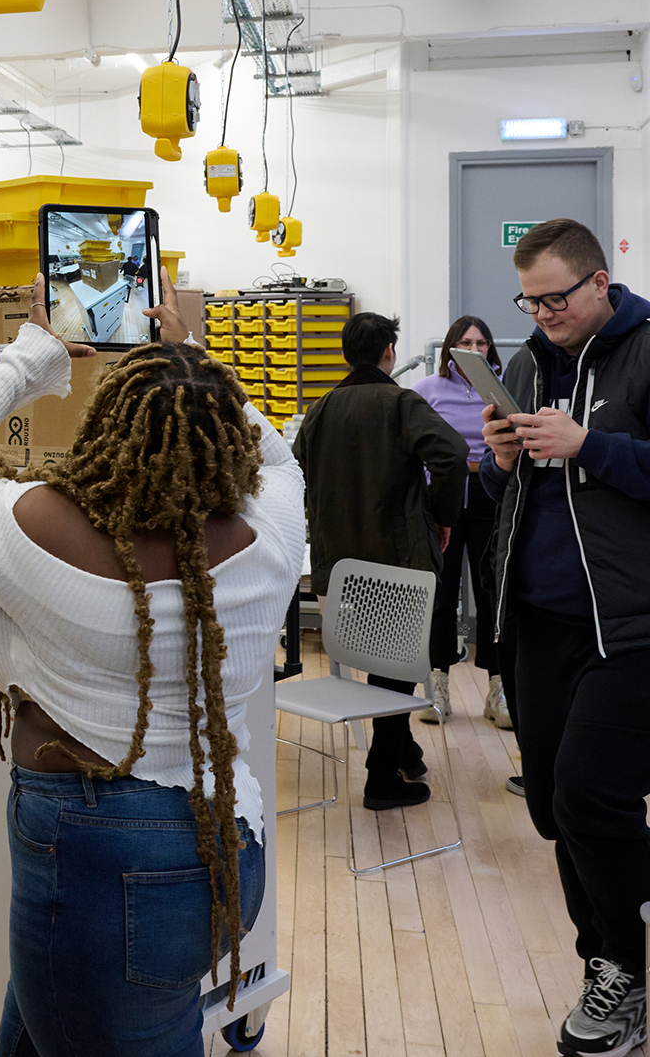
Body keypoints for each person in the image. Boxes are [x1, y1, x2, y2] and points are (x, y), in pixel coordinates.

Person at [0, 273, 303, 1057]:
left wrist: (33, 355)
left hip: (101, 859)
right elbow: (279, 458)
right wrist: (193, 360)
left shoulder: (31, 531)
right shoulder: (275, 532)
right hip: (224, 841)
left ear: (105, 427)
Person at [480, 217, 650, 1057]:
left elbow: (615, 467)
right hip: (538, 622)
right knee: (554, 809)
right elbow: (501, 496)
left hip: (630, 626)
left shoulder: (645, 352)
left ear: (599, 283)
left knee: (589, 795)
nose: (542, 314)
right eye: (530, 301)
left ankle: (621, 967)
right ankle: (616, 949)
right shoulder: (524, 364)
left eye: (555, 299)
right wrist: (499, 461)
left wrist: (592, 447)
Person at [292, 312, 467, 811]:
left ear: (346, 354)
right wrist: (442, 515)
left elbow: (295, 473)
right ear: (389, 352)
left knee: (377, 661)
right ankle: (381, 778)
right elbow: (452, 455)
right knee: (396, 669)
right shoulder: (400, 402)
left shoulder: (320, 409)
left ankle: (404, 751)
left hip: (339, 565)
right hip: (398, 559)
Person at [410, 317, 510, 729]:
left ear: (490, 349)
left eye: (481, 343)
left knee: (492, 591)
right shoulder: (427, 389)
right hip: (443, 495)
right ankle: (437, 685)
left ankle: (498, 687)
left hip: (489, 491)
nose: (474, 349)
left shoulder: (501, 388)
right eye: (466, 342)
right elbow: (413, 443)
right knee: (441, 590)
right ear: (451, 347)